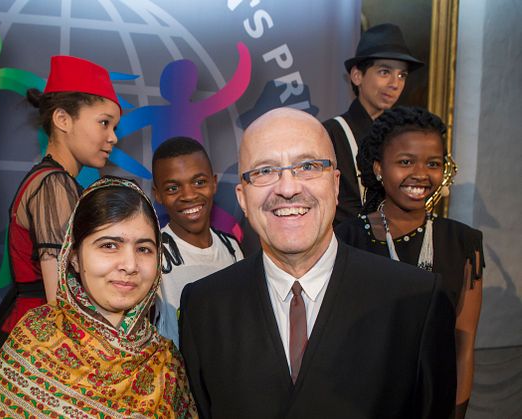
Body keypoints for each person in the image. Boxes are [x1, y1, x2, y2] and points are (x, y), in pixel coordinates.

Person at [180, 108, 457, 418]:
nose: (287, 188)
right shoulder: (204, 306)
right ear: (243, 198)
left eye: (308, 166)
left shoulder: (414, 302)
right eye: (265, 171)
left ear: (336, 185)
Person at [0, 177, 197, 418]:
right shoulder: (35, 339)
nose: (130, 265)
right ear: (75, 257)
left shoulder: (164, 361)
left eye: (144, 249)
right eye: (109, 246)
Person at [336, 106, 483, 418]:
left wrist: (456, 414)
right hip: (358, 404)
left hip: (432, 405)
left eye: (433, 163)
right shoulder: (345, 241)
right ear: (378, 168)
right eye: (405, 162)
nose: (420, 174)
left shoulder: (462, 243)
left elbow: (463, 344)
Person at [0, 55, 121, 368]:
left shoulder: (57, 181)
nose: (112, 136)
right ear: (63, 120)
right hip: (43, 342)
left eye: (114, 126)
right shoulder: (53, 184)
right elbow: (61, 299)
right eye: (104, 122)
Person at [323, 23, 424, 225]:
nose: (395, 84)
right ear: (357, 76)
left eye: (402, 75)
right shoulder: (330, 133)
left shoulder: (401, 138)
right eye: (385, 72)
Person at [151, 136, 243, 347]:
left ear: (214, 183)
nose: (189, 195)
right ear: (158, 195)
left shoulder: (232, 248)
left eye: (199, 182)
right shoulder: (154, 254)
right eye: (173, 188)